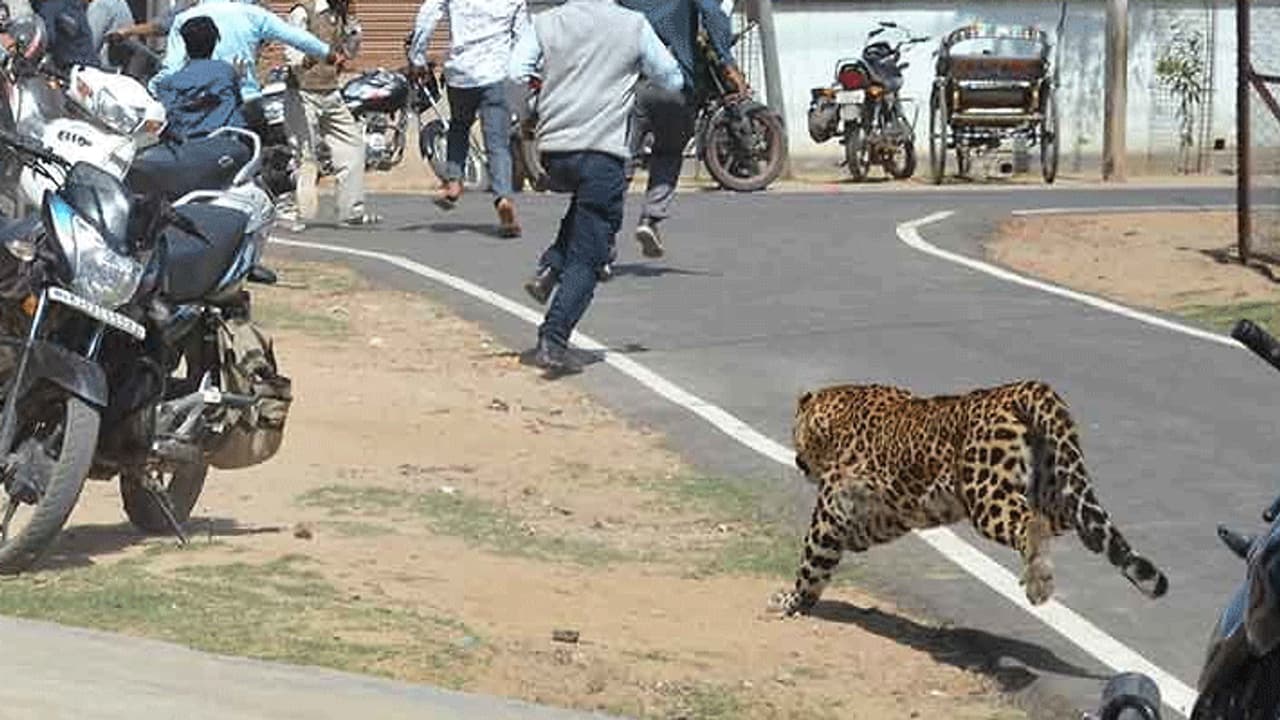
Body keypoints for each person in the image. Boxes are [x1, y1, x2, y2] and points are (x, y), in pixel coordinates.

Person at [509, 0, 682, 374]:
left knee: (586, 211)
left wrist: (528, 114)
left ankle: (551, 267)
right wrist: (636, 75)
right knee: (591, 254)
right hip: (603, 152)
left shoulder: (546, 21)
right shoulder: (632, 25)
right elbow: (671, 78)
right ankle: (553, 340)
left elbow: (514, 73)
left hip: (554, 152)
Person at [617, 0, 745, 259]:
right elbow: (713, 14)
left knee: (620, 160)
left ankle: (603, 240)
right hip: (674, 81)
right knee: (669, 150)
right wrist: (727, 61)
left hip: (629, 80)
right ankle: (650, 219)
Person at [409, 0, 526, 238]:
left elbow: (428, 15)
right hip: (496, 72)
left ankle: (453, 182)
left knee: (459, 127)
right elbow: (524, 34)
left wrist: (417, 56)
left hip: (461, 74)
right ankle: (503, 197)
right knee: (497, 144)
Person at [150, 0, 341, 128]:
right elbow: (295, 36)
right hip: (247, 103)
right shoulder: (252, 14)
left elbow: (172, 68)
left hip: (201, 106)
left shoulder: (185, 19)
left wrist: (153, 88)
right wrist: (327, 52)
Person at [285, 0, 378, 228]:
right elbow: (291, 50)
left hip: (331, 92)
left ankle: (351, 211)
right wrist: (308, 59)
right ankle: (299, 213)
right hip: (302, 92)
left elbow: (350, 52)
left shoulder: (341, 15)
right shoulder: (303, 11)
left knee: (353, 146)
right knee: (306, 153)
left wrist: (353, 25)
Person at [152, 15, 243, 141]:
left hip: (186, 147)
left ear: (185, 43)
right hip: (224, 145)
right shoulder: (226, 72)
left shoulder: (167, 84)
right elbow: (237, 104)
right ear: (215, 42)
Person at [37, 0, 97, 70]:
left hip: (73, 67)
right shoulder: (71, 4)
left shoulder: (50, 7)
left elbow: (47, 38)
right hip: (87, 63)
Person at [85, 0, 131, 67]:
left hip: (104, 69)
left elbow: (88, 46)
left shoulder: (101, 5)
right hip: (123, 66)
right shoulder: (120, 2)